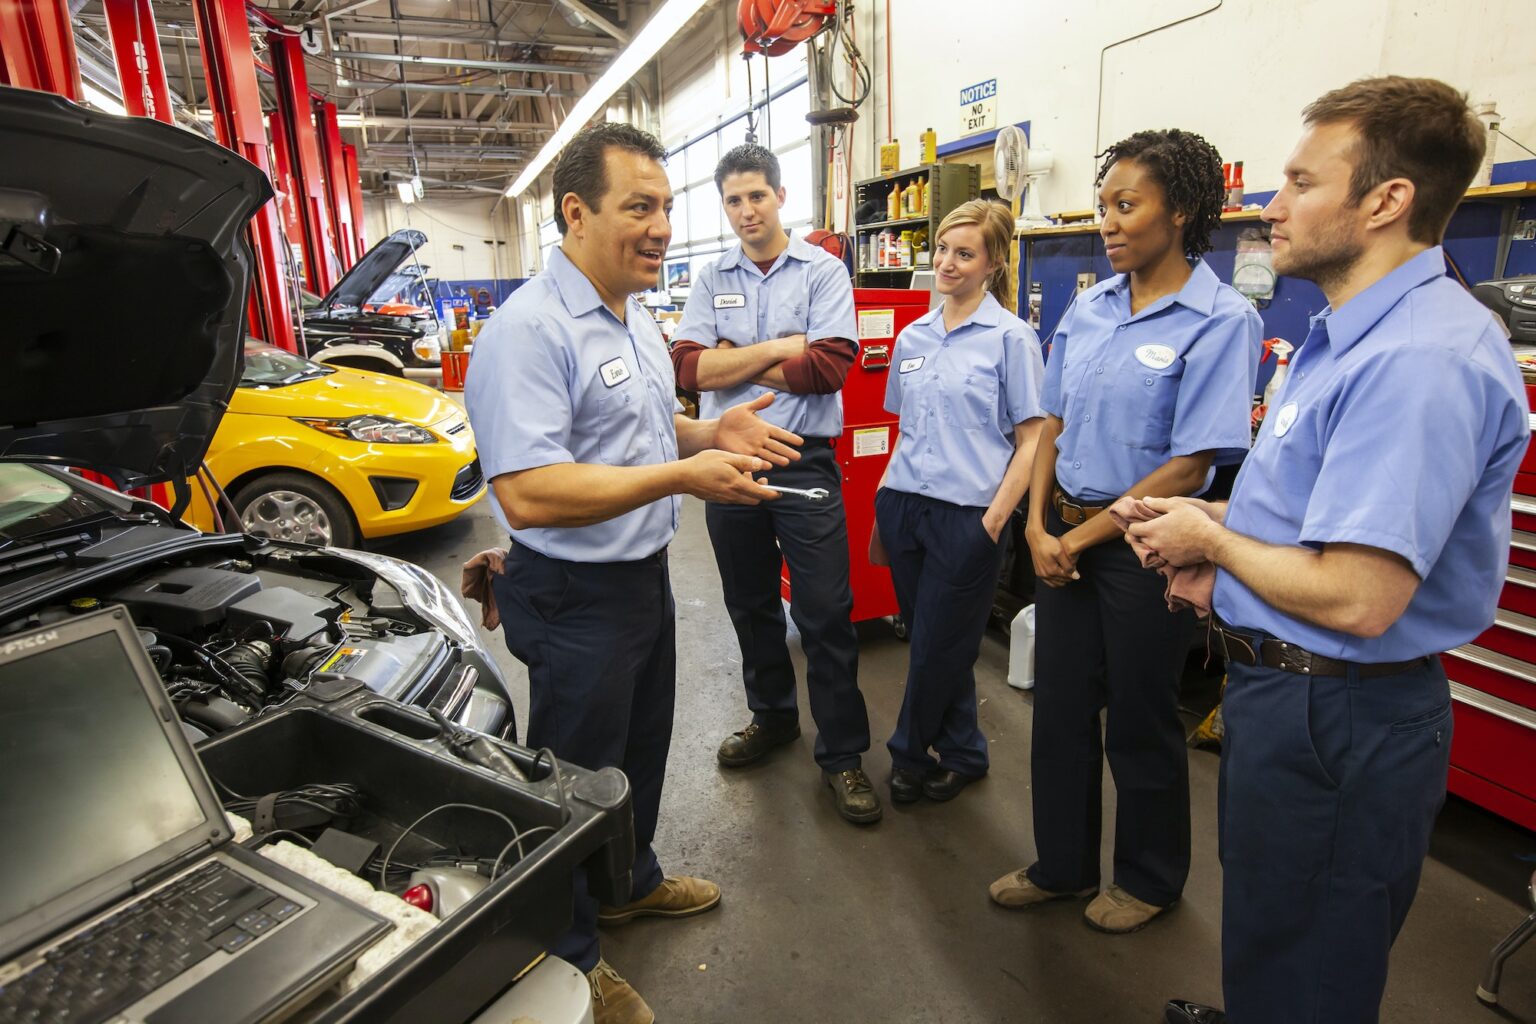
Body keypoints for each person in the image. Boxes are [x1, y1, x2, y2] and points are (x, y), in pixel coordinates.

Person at [1138, 78, 1528, 1024]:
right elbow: (1314, 512)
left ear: (1386, 201)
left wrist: (1211, 537)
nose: (1272, 205)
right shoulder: (1346, 339)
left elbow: (1358, 596)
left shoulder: (1418, 361)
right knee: (1279, 927)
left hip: (1341, 712)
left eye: (1301, 181)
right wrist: (1222, 543)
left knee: (1313, 957)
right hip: (1295, 696)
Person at [464, 122, 804, 1024]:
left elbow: (643, 438)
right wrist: (684, 475)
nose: (660, 227)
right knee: (576, 782)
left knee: (639, 754)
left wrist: (709, 435)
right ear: (576, 213)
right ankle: (568, 957)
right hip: (576, 595)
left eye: (665, 208)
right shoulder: (527, 333)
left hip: (640, 577)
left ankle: (628, 882)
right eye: (639, 208)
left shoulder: (635, 317)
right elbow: (530, 491)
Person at [988, 129, 1262, 933]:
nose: (1107, 221)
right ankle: (1062, 866)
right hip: (1060, 536)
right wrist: (1039, 527)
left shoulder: (1220, 320)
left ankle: (1148, 879)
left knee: (1142, 719)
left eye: (1125, 205)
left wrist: (1079, 539)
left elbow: (1189, 465)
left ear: (1179, 213)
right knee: (1061, 712)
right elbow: (1051, 426)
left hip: (1143, 552)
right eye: (1104, 205)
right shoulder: (1092, 306)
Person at [671, 143, 880, 824]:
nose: (745, 211)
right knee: (751, 603)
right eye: (733, 199)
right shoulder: (710, 277)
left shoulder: (823, 272)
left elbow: (826, 370)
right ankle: (773, 717)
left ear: (781, 197)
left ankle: (843, 754)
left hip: (802, 457)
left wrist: (730, 360)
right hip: (726, 461)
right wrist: (779, 349)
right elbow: (685, 369)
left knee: (823, 608)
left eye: (756, 196)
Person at [874, 199, 1045, 804]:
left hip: (968, 515)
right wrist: (887, 495)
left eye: (964, 253)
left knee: (938, 643)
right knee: (932, 639)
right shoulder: (913, 335)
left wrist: (994, 522)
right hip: (903, 507)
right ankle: (966, 750)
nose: (947, 262)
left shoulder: (1012, 339)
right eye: (942, 248)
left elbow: (1032, 440)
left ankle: (907, 753)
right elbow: (907, 422)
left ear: (992, 263)